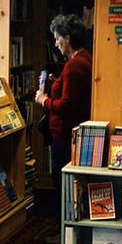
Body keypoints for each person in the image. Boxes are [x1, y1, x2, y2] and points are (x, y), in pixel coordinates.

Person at [34, 14, 93, 200]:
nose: (55, 44)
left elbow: (66, 104)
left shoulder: (74, 65)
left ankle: (63, 219)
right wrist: (56, 82)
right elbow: (74, 93)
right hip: (75, 133)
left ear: (67, 38)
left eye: (57, 38)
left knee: (63, 187)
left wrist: (44, 100)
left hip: (66, 136)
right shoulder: (85, 58)